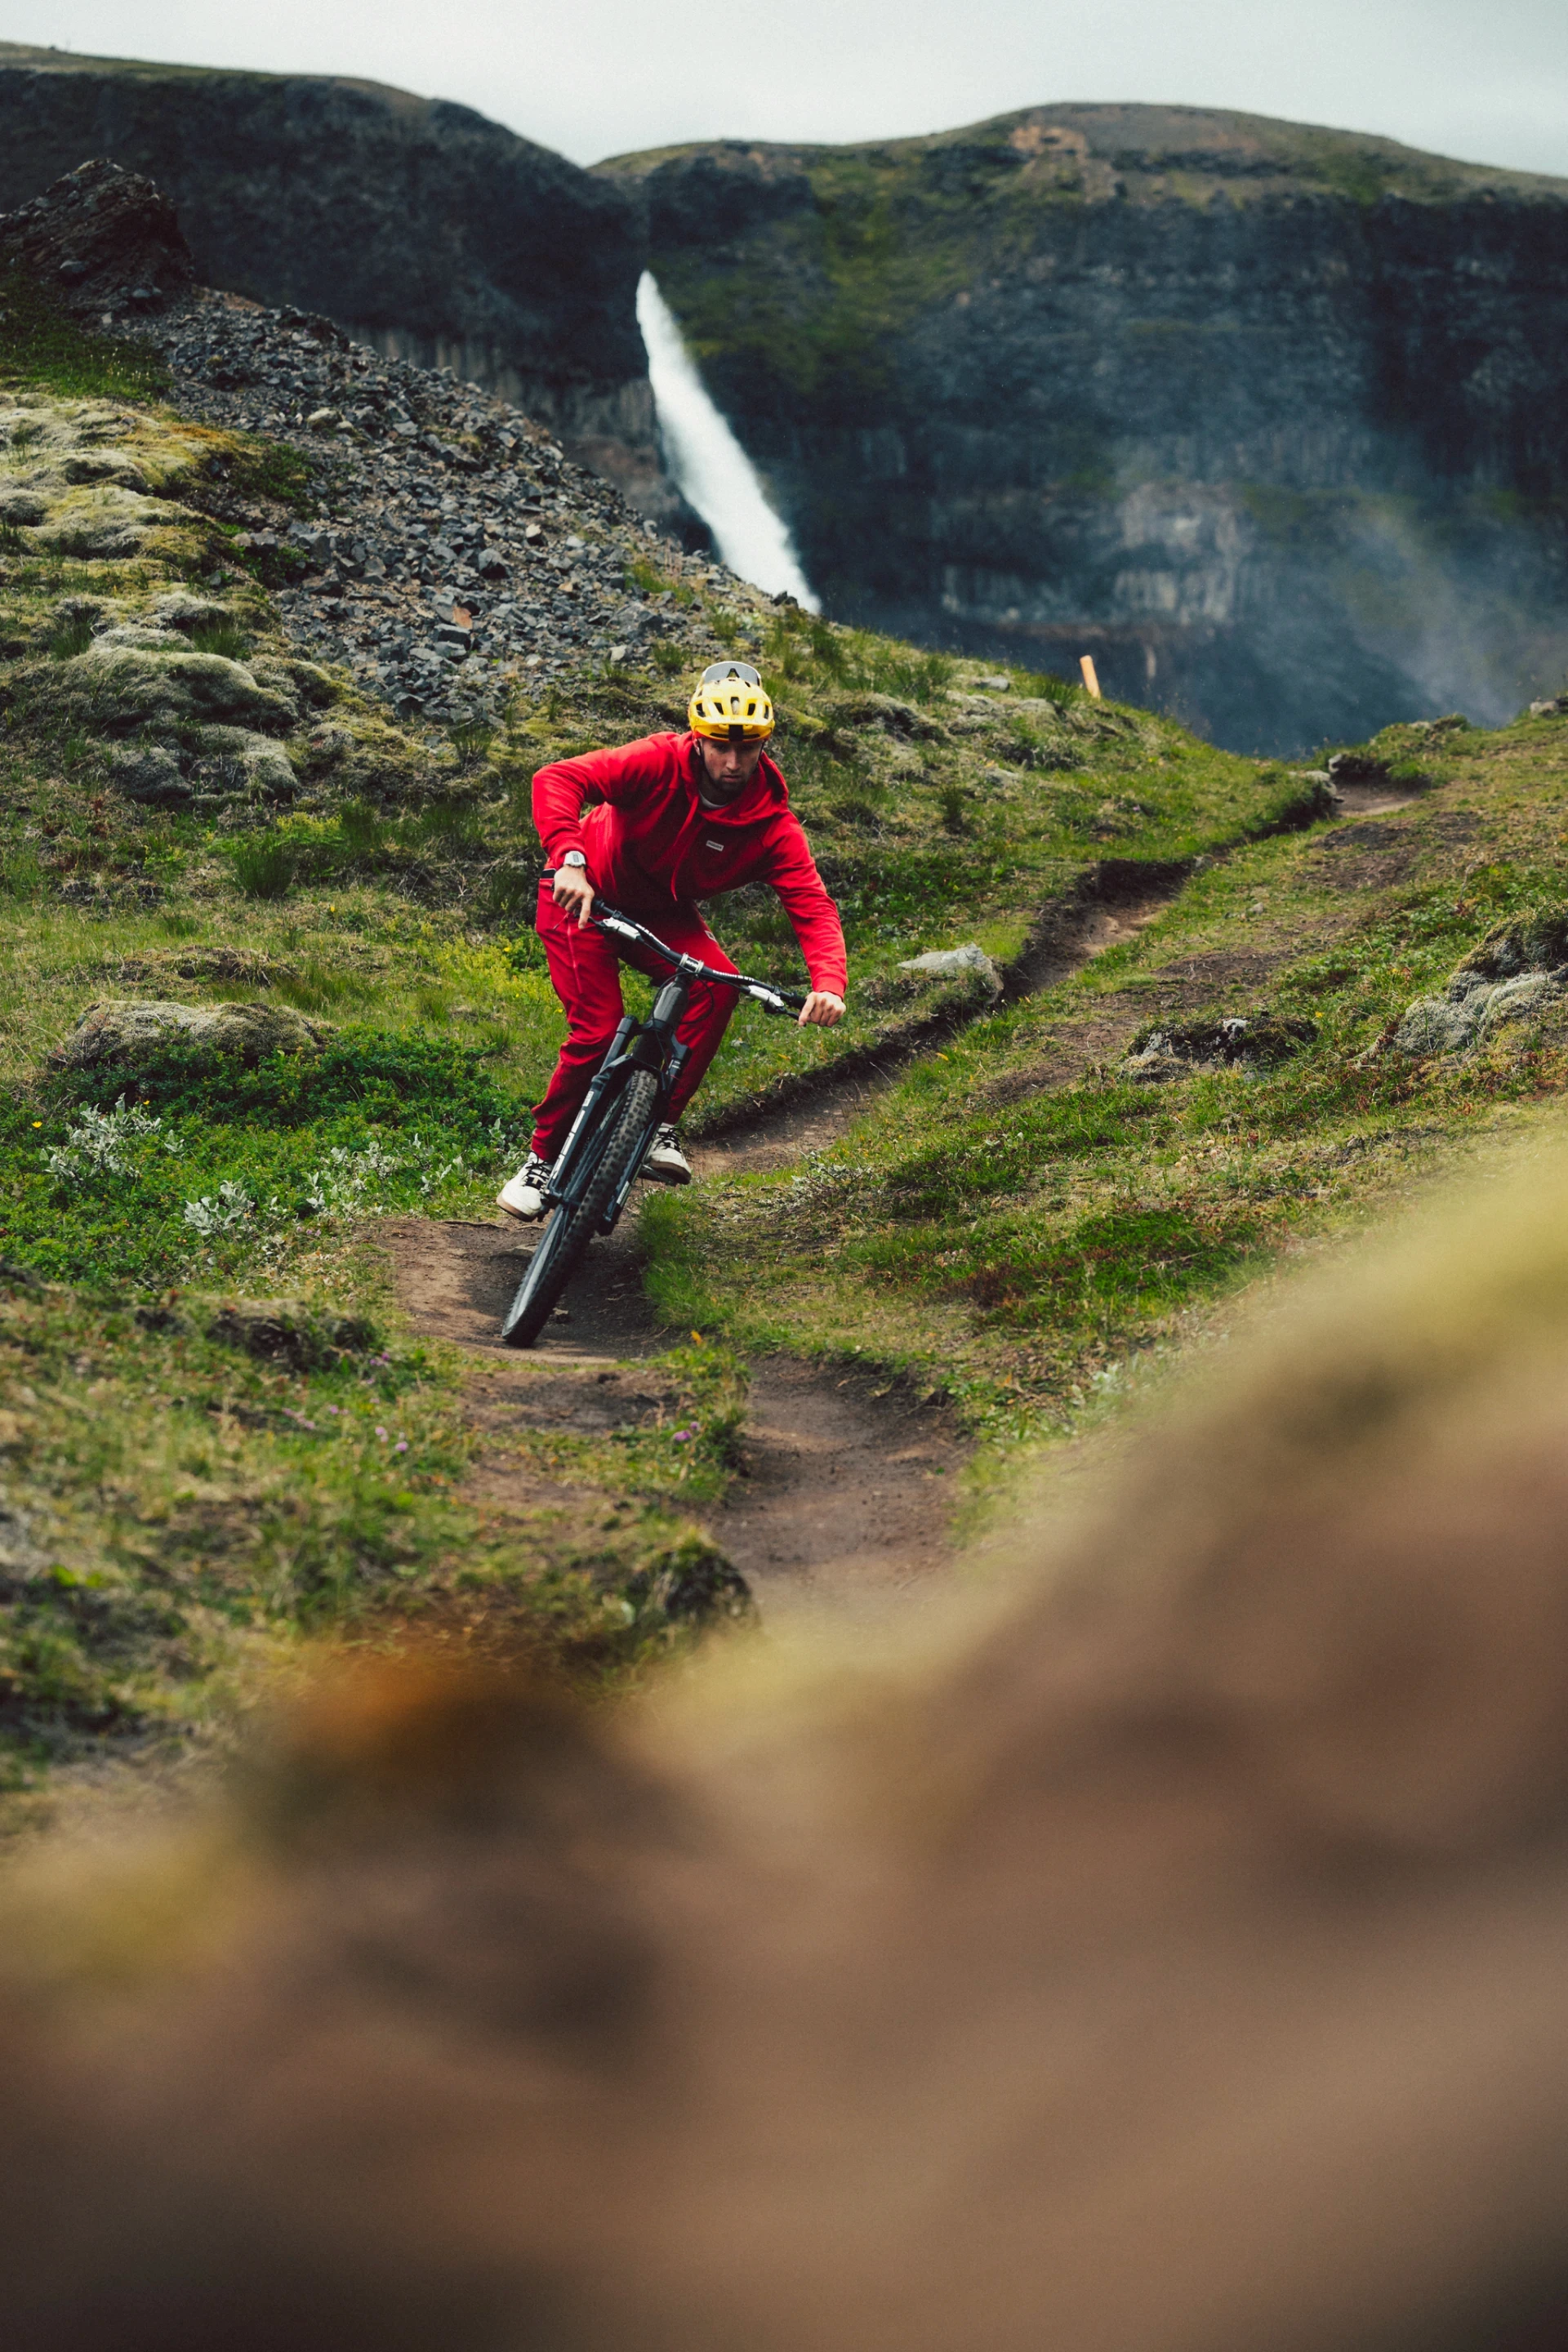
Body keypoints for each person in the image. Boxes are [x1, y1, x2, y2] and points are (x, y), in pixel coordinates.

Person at [498, 661, 848, 1221]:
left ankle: (660, 1123)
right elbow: (558, 778)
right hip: (581, 896)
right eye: (719, 746)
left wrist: (828, 983)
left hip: (662, 912)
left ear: (765, 743)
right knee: (598, 1029)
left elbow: (812, 905)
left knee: (715, 987)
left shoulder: (773, 825)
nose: (732, 763)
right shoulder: (657, 760)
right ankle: (540, 1161)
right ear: (699, 736)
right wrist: (569, 858)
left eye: (747, 748)